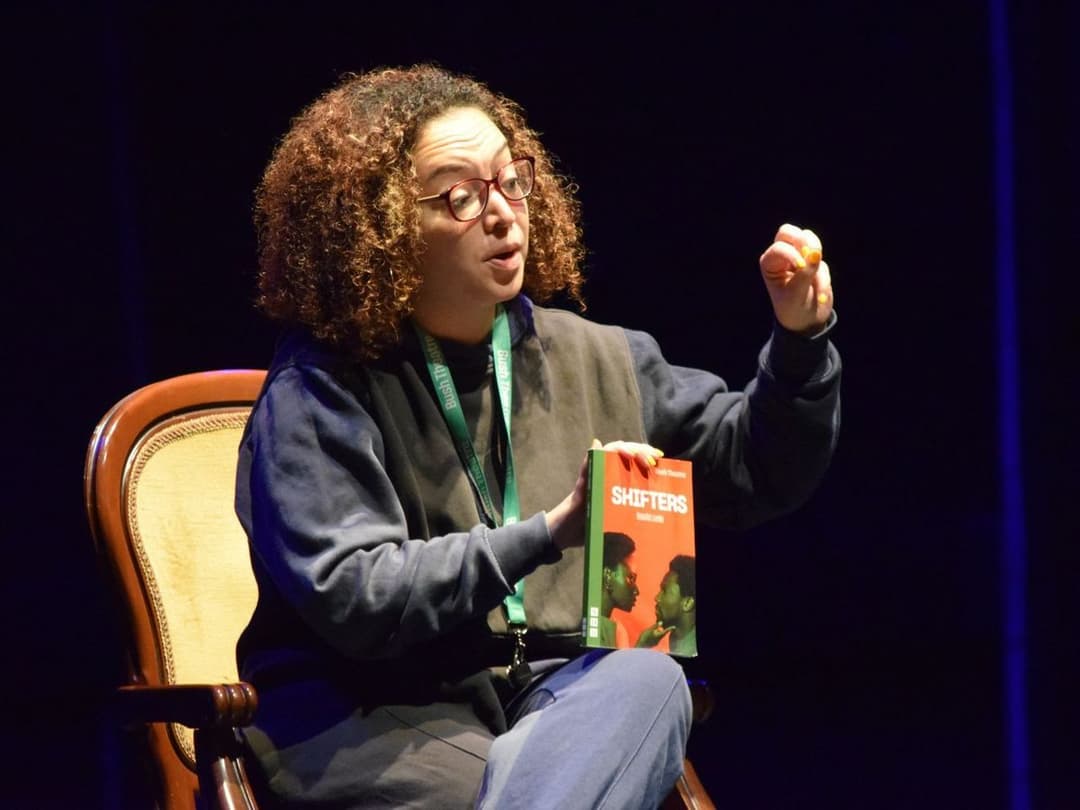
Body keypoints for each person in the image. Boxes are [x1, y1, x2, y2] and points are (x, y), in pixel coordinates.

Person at [235, 64, 841, 810]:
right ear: (380, 228)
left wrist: (800, 343)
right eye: (460, 196)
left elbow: (754, 471)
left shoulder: (598, 356)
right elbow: (359, 595)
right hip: (376, 714)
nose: (501, 213)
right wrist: (550, 530)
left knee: (648, 680)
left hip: (551, 698)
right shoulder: (321, 386)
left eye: (509, 181)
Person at [636, 555, 698, 657]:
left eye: (664, 591)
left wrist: (642, 644)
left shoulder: (691, 652)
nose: (657, 598)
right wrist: (643, 643)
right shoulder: (677, 639)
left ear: (687, 603)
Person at [599, 532, 640, 648]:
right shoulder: (581, 622)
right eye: (631, 578)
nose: (637, 591)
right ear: (608, 575)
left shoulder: (618, 631)